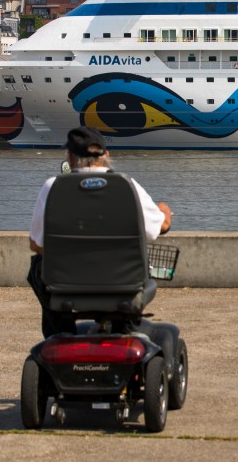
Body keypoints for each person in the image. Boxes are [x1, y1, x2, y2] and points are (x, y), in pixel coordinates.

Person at [28, 126, 173, 337]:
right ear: (106, 155)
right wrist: (164, 211)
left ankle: (59, 334)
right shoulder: (127, 185)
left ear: (69, 156)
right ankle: (127, 331)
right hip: (122, 284)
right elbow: (158, 229)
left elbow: (37, 244)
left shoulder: (53, 187)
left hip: (64, 286)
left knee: (38, 266)